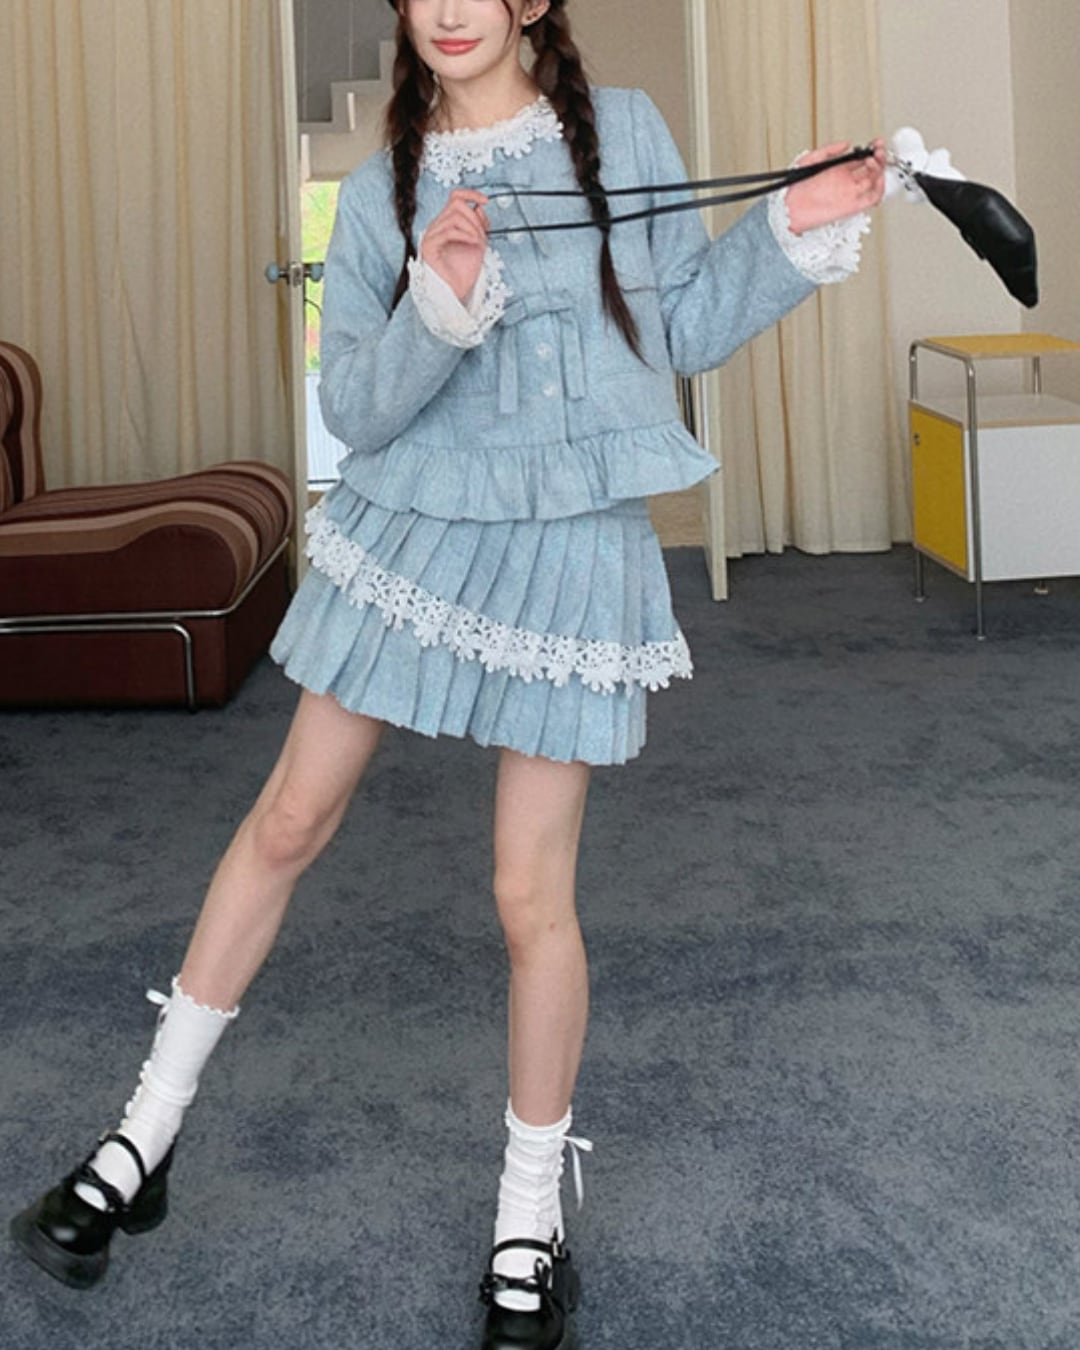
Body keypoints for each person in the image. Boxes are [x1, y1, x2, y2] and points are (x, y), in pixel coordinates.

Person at [10, 2, 885, 1346]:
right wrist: (441, 302)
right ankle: (142, 1138)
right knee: (289, 818)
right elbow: (355, 407)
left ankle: (527, 1220)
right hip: (414, 530)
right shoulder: (382, 190)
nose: (452, 8)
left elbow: (686, 328)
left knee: (530, 891)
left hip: (575, 542)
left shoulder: (627, 134)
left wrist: (790, 227)